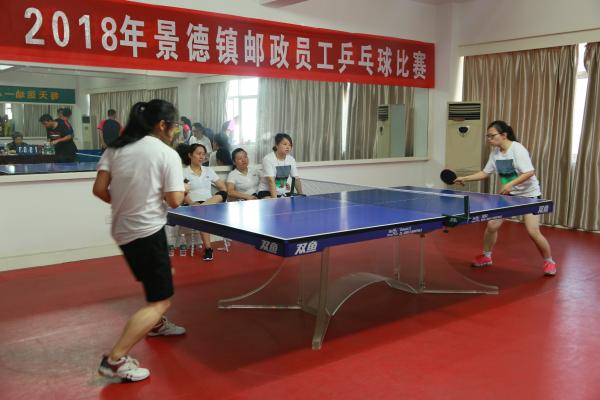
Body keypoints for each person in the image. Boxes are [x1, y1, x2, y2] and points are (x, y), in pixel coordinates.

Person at [92, 99, 188, 383]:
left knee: (158, 276)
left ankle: (155, 326)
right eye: (174, 126)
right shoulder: (166, 154)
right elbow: (175, 200)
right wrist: (183, 188)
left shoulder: (116, 147)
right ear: (162, 125)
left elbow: (99, 189)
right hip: (147, 232)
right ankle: (115, 360)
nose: (175, 132)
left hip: (123, 230)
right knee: (160, 301)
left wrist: (127, 203)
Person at [454, 120, 557, 277]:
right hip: (509, 196)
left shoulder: (517, 149)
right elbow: (485, 173)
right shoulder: (495, 153)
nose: (489, 139)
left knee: (533, 231)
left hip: (530, 195)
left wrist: (510, 184)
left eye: (492, 136)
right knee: (492, 225)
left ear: (504, 135)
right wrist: (465, 178)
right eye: (488, 136)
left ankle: (549, 261)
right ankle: (487, 256)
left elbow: (529, 172)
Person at [182, 143, 228, 261]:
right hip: (193, 204)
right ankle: (208, 248)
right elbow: (182, 193)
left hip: (208, 203)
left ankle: (202, 207)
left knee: (223, 194)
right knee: (202, 214)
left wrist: (208, 201)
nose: (202, 156)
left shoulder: (208, 170)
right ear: (190, 155)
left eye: (203, 154)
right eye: (198, 153)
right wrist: (192, 203)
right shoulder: (184, 172)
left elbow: (223, 187)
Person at [257, 133, 303, 198]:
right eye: (285, 144)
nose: (288, 147)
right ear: (277, 145)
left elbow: (296, 179)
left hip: (282, 192)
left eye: (290, 145)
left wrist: (301, 195)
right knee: (273, 202)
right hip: (266, 192)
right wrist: (275, 200)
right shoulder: (268, 159)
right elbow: (271, 181)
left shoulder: (291, 159)